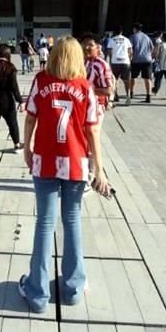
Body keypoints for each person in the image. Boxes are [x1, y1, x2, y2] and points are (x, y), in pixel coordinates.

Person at [18, 37, 109, 313]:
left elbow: (30, 116)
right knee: (72, 222)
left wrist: (26, 147)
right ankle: (72, 288)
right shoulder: (85, 86)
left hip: (45, 159)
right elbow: (92, 130)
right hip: (76, 161)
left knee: (45, 224)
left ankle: (37, 293)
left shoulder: (41, 80)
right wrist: (99, 169)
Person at [81, 33, 114, 113]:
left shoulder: (101, 65)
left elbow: (108, 91)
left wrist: (85, 90)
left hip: (96, 106)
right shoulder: (79, 62)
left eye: (90, 45)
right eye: (84, 44)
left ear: (97, 47)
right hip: (81, 105)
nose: (86, 47)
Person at [127, 23, 155, 103]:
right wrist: (150, 55)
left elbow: (130, 49)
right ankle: (148, 96)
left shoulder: (132, 37)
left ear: (135, 29)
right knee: (147, 79)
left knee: (133, 77)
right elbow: (152, 48)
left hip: (136, 60)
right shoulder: (147, 37)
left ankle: (131, 93)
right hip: (147, 60)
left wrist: (130, 58)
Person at [109, 28, 133, 105]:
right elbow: (130, 51)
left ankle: (116, 95)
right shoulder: (126, 40)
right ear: (122, 32)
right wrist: (129, 58)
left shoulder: (112, 40)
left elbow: (110, 52)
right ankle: (128, 96)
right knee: (126, 80)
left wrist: (111, 60)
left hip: (115, 62)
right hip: (125, 61)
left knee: (115, 79)